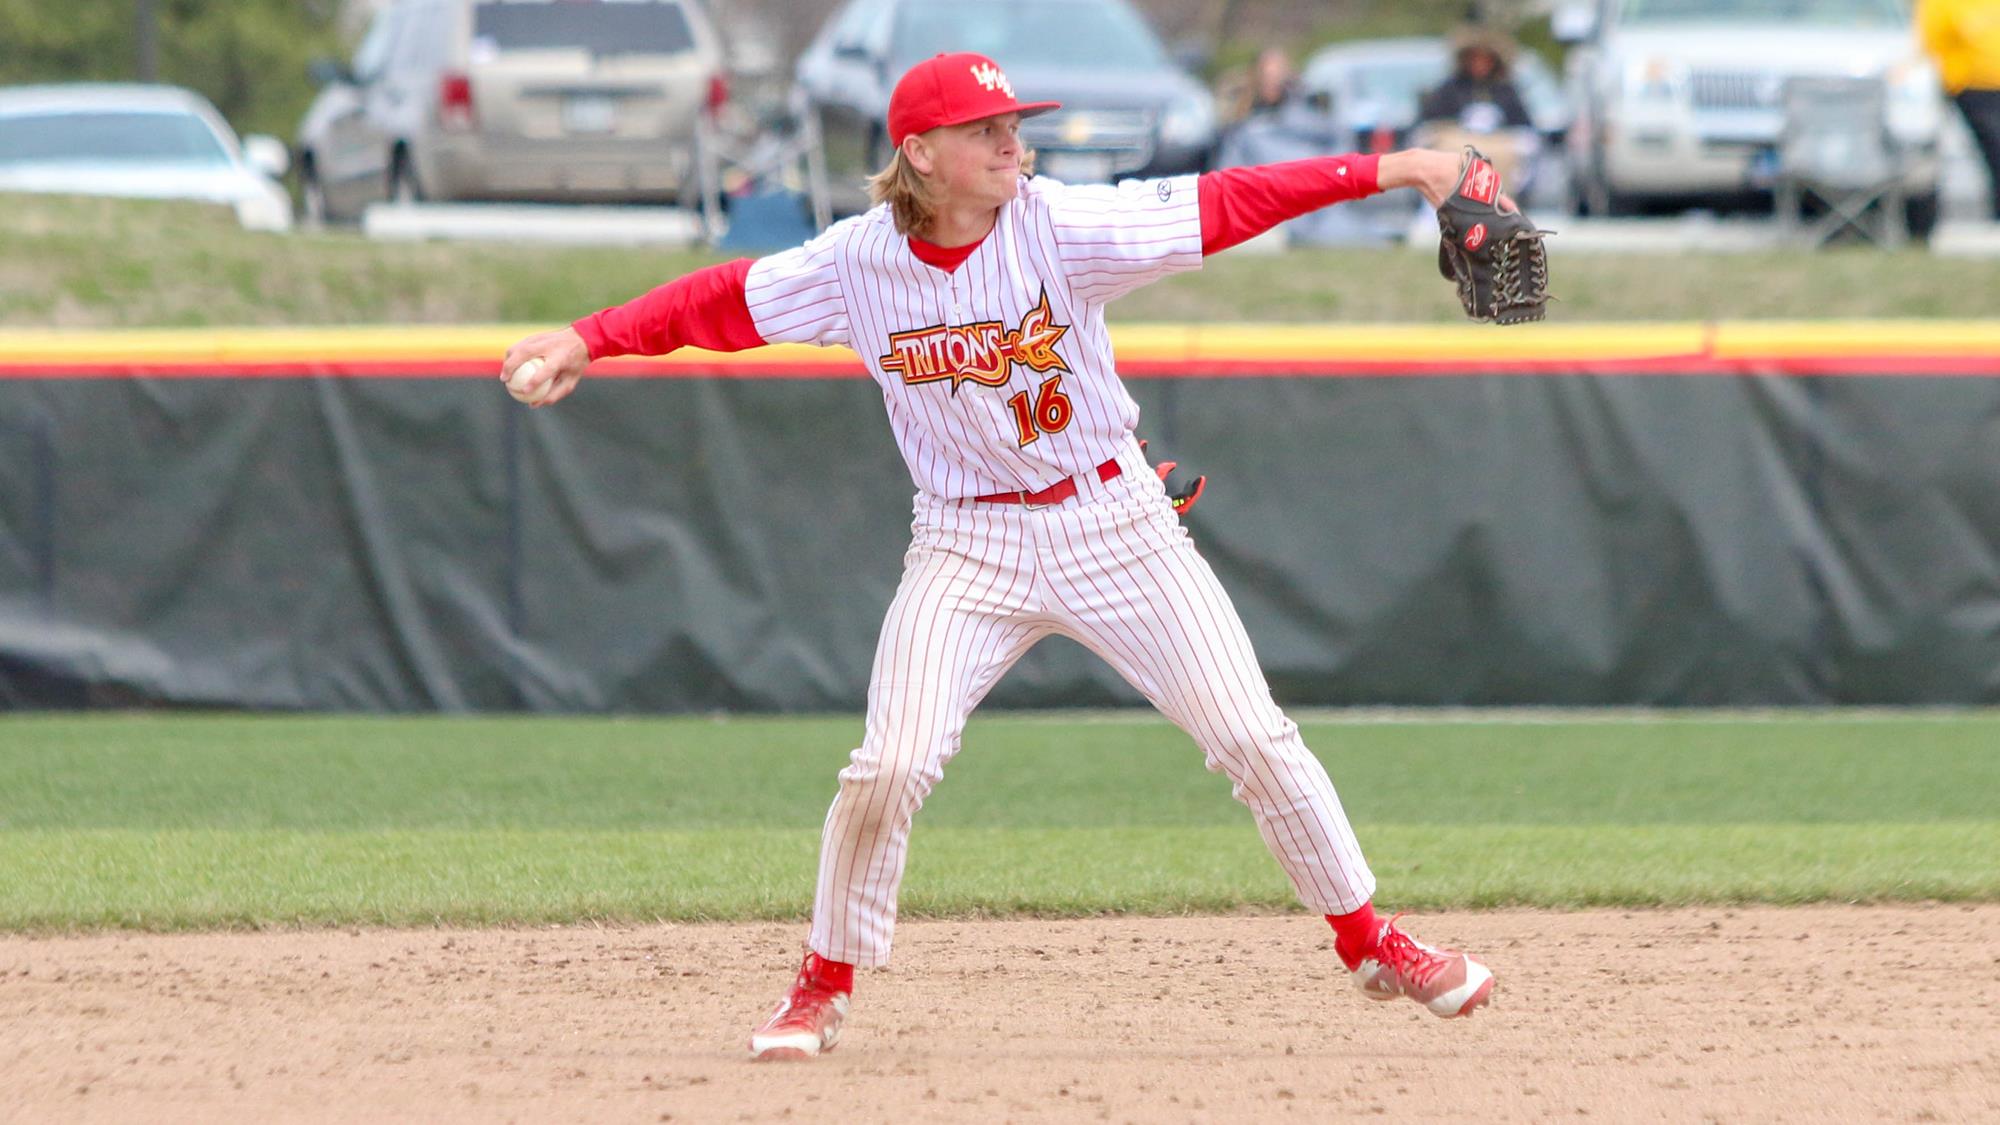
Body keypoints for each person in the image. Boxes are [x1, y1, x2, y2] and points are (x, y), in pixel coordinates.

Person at [499, 51, 1498, 1062]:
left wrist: (1401, 168)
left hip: (1114, 525)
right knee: (888, 762)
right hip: (965, 541)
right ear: (920, 153)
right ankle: (821, 982)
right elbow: (722, 302)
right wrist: (588, 338)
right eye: (984, 129)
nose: (1010, 141)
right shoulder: (857, 263)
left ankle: (1372, 943)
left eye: (1013, 123)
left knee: (1251, 737)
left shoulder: (1057, 223)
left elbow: (1224, 200)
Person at [1918, 0, 2000, 220]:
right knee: (1995, 147)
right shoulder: (1943, 5)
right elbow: (1929, 43)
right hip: (1971, 85)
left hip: (1993, 84)